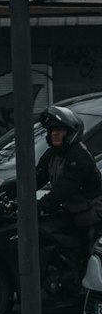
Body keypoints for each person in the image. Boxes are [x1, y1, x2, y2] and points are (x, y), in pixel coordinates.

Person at [36, 104, 102, 268]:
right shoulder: (52, 154)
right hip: (71, 211)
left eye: (60, 130)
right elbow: (35, 178)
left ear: (71, 133)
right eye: (52, 130)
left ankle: (80, 283)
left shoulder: (79, 156)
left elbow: (65, 187)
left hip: (91, 213)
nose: (55, 134)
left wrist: (42, 203)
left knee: (87, 256)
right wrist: (9, 191)